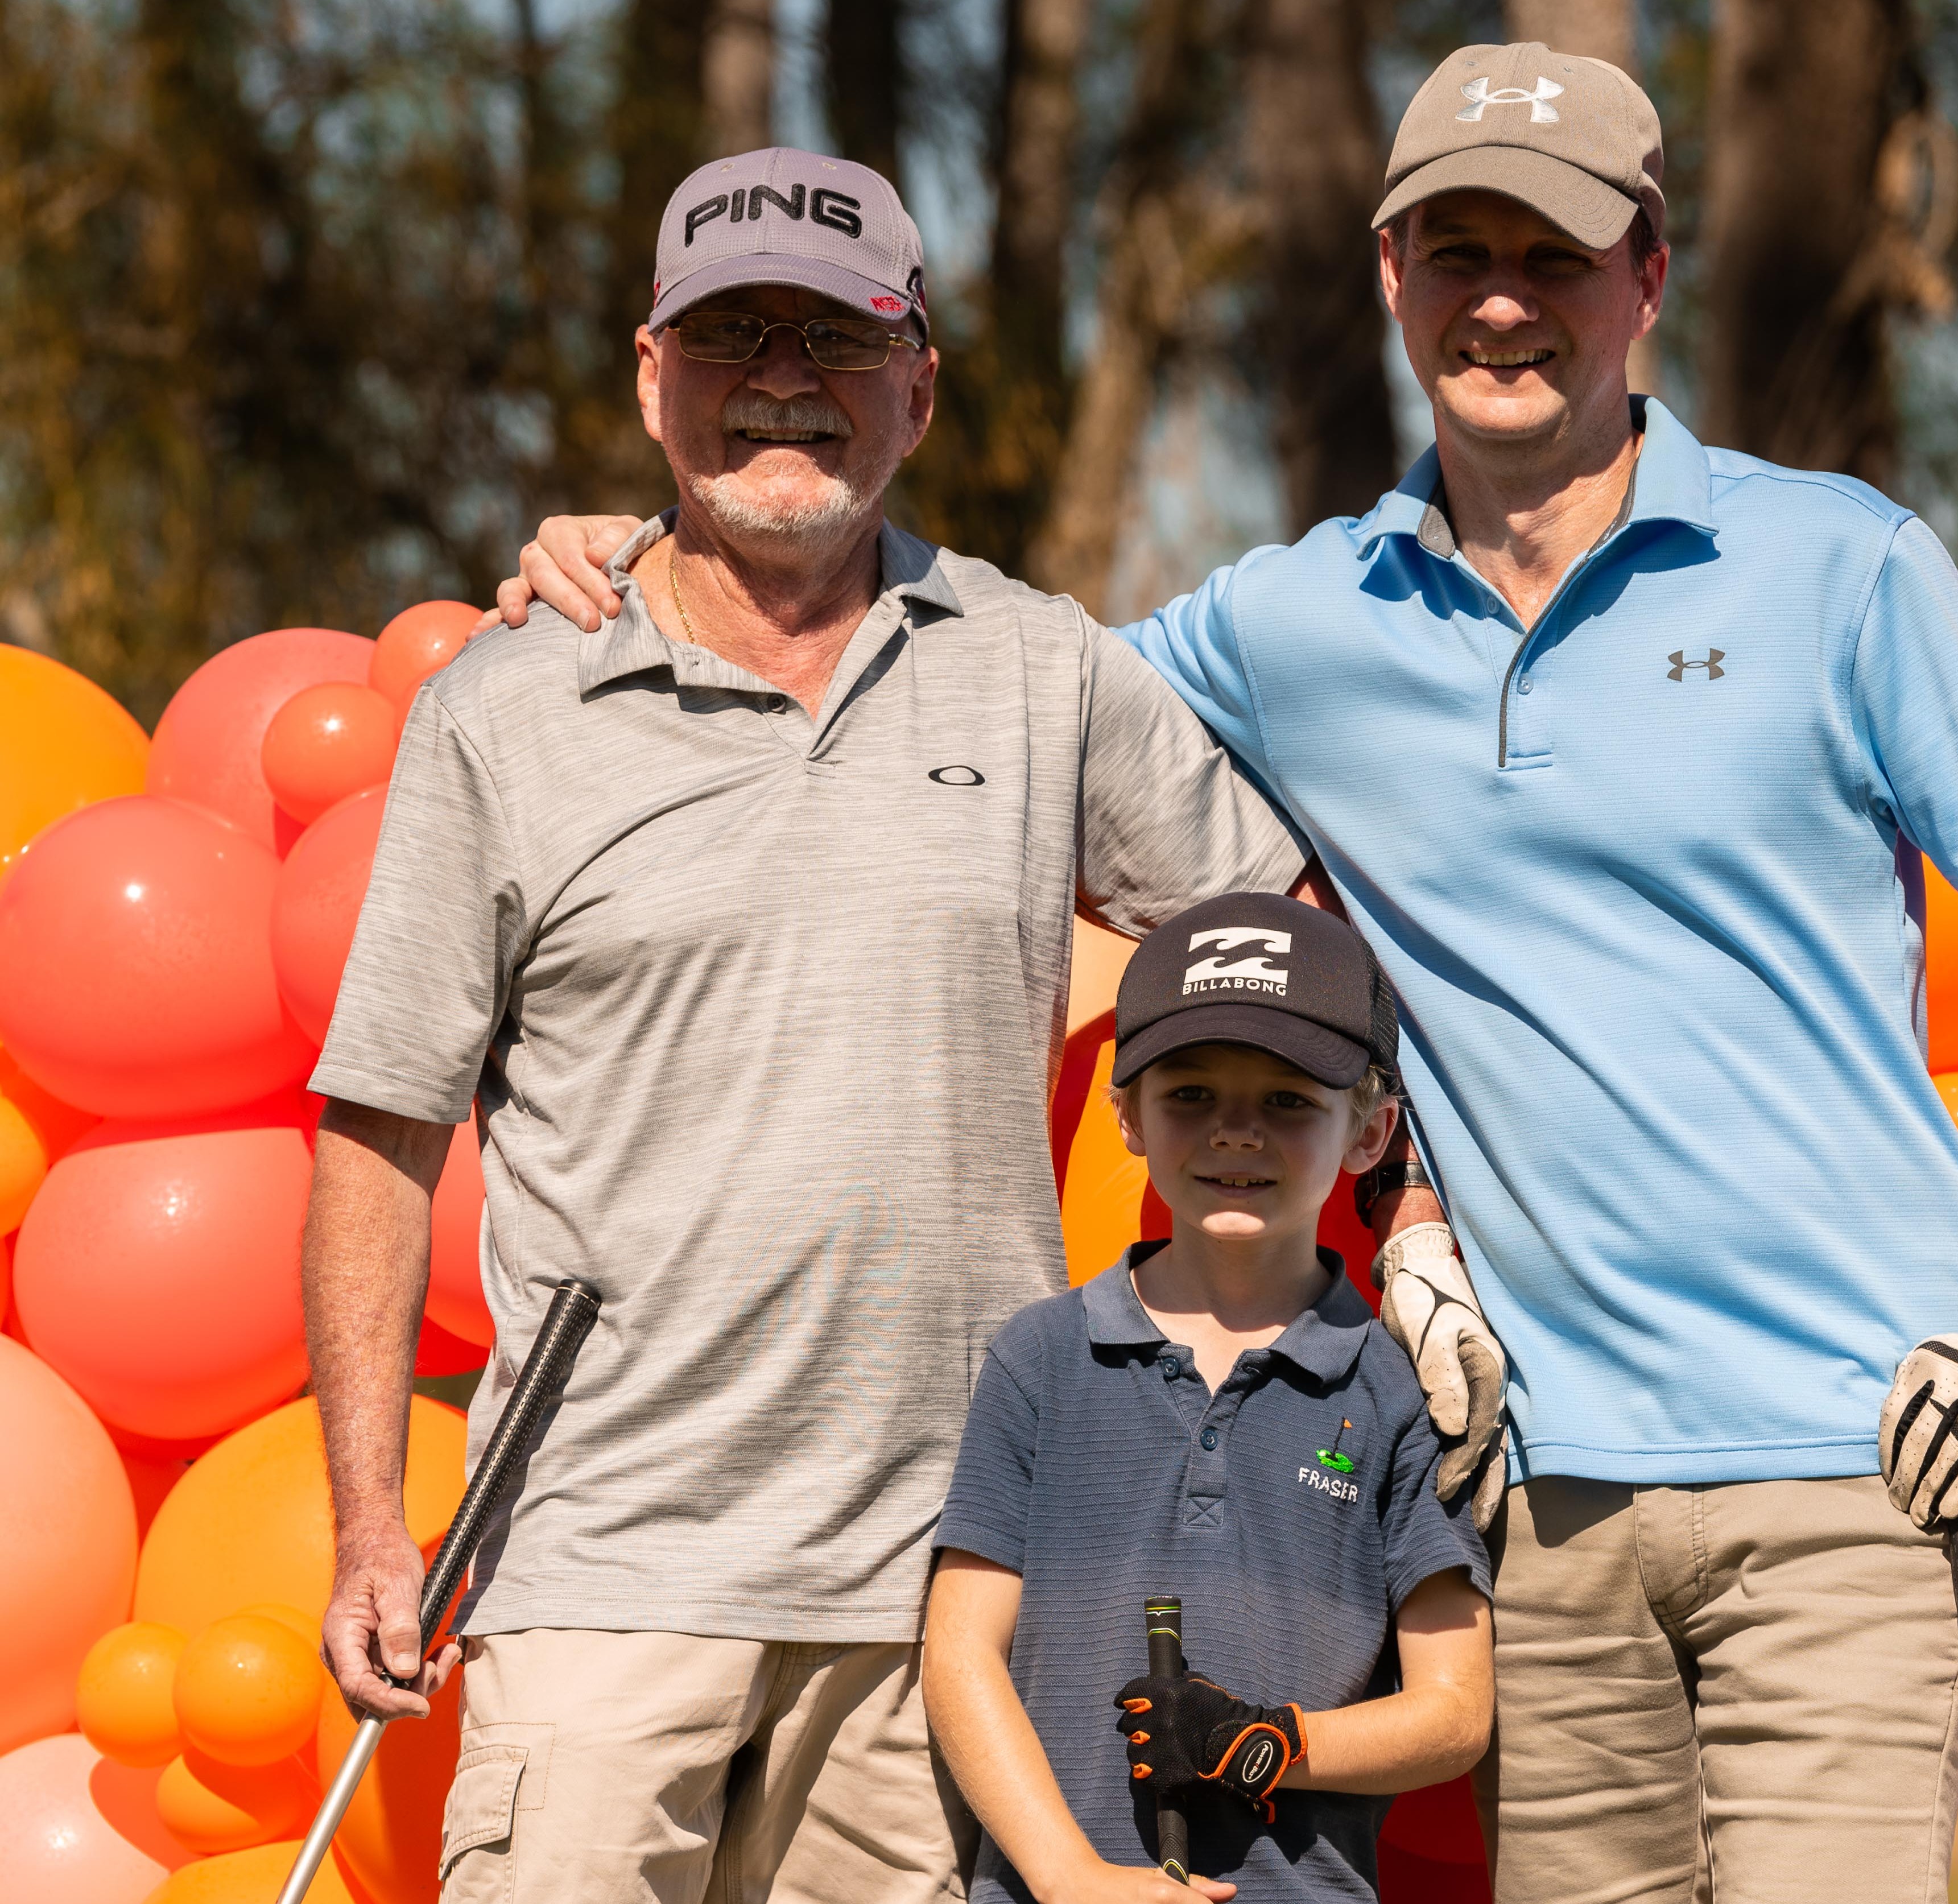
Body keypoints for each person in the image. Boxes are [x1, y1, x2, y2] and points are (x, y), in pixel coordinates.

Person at [498, 41, 1958, 1904]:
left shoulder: (1839, 564)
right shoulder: (1297, 618)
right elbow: (961, 675)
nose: (1502, 298)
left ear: (1648, 277)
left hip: (1842, 1463)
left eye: (1553, 249)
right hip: (1538, 1497)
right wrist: (657, 553)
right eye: (1453, 248)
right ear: (1387, 278)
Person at [301, 146, 1310, 1904]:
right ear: (650, 375)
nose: (784, 379)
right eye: (733, 331)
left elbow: (1282, 952)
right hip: (602, 1568)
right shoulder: (509, 705)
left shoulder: (1039, 666)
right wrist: (372, 1522)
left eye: (837, 339)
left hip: (950, 1585)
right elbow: (381, 1129)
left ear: (917, 385)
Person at [925, 893, 1493, 1904]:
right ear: (1127, 1116)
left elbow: (1455, 1713)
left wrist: (1264, 1744)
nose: (1237, 1132)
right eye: (1191, 1094)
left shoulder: (1397, 1392)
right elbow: (961, 1652)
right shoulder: (1040, 1358)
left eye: (1288, 1101)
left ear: (1371, 1132)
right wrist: (1067, 1876)